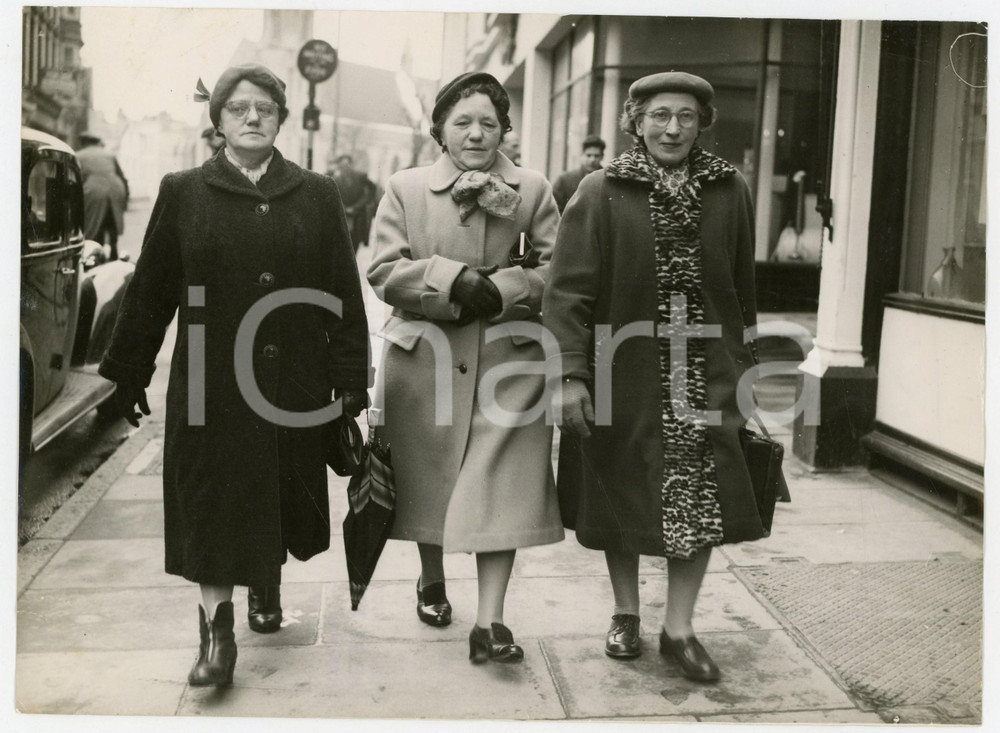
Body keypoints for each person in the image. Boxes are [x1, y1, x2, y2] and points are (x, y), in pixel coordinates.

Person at [99, 63, 370, 687]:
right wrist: (129, 371)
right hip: (210, 381)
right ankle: (216, 636)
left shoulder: (318, 194)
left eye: (265, 108)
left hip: (292, 378)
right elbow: (150, 290)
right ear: (218, 119)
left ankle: (265, 582)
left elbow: (343, 292)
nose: (252, 118)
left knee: (275, 490)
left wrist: (351, 377)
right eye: (239, 108)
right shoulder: (183, 190)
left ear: (280, 119)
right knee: (211, 501)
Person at [543, 72, 766, 682]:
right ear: (636, 121)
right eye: (660, 115)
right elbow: (566, 295)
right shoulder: (600, 190)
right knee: (620, 491)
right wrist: (569, 376)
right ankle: (626, 613)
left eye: (687, 116)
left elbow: (743, 287)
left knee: (703, 500)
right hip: (623, 371)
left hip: (705, 372)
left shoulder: (729, 189)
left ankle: (679, 629)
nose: (673, 128)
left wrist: (746, 366)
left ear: (703, 124)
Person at [368, 71, 564, 664]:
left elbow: (560, 269)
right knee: (428, 477)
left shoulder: (533, 188)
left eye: (488, 122)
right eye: (462, 122)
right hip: (423, 360)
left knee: (501, 487)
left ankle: (491, 621)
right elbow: (383, 270)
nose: (476, 134)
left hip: (509, 362)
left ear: (505, 129)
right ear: (440, 130)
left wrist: (507, 287)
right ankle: (431, 578)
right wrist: (452, 281)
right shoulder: (405, 187)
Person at [76, 132, 129, 260]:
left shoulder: (79, 155)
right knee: (112, 223)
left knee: (95, 225)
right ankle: (114, 255)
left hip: (94, 191)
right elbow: (122, 176)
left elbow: (76, 179)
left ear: (84, 143)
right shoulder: (109, 155)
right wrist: (125, 198)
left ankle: (96, 256)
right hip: (115, 189)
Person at [329, 154, 376, 251]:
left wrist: (358, 205)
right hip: (341, 215)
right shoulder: (334, 179)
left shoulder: (361, 176)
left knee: (355, 243)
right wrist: (343, 207)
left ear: (351, 165)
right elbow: (330, 195)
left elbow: (372, 189)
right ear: (339, 166)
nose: (345, 168)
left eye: (347, 164)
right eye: (342, 165)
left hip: (357, 215)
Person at [551, 134, 605, 213]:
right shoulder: (564, 180)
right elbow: (555, 210)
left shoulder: (607, 180)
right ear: (582, 155)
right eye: (588, 155)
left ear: (602, 157)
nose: (592, 160)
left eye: (596, 156)